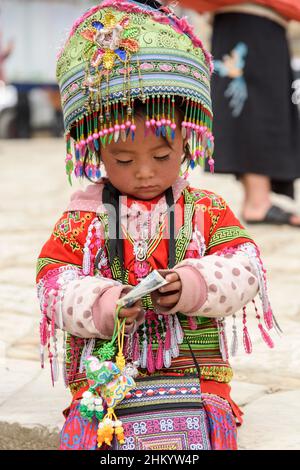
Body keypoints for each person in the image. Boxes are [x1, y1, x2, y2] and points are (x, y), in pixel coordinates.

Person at [36, 0, 279, 451]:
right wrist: (104, 303)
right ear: (97, 154)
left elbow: (246, 265)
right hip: (104, 379)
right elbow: (52, 281)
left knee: (203, 433)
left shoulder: (205, 209)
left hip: (196, 375)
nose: (144, 172)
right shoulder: (81, 221)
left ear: (187, 142)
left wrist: (191, 284)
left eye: (162, 157)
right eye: (124, 160)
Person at [170, 0, 300, 226]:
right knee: (258, 105)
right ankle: (258, 202)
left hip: (253, 19)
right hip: (250, 19)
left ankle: (257, 198)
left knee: (260, 103)